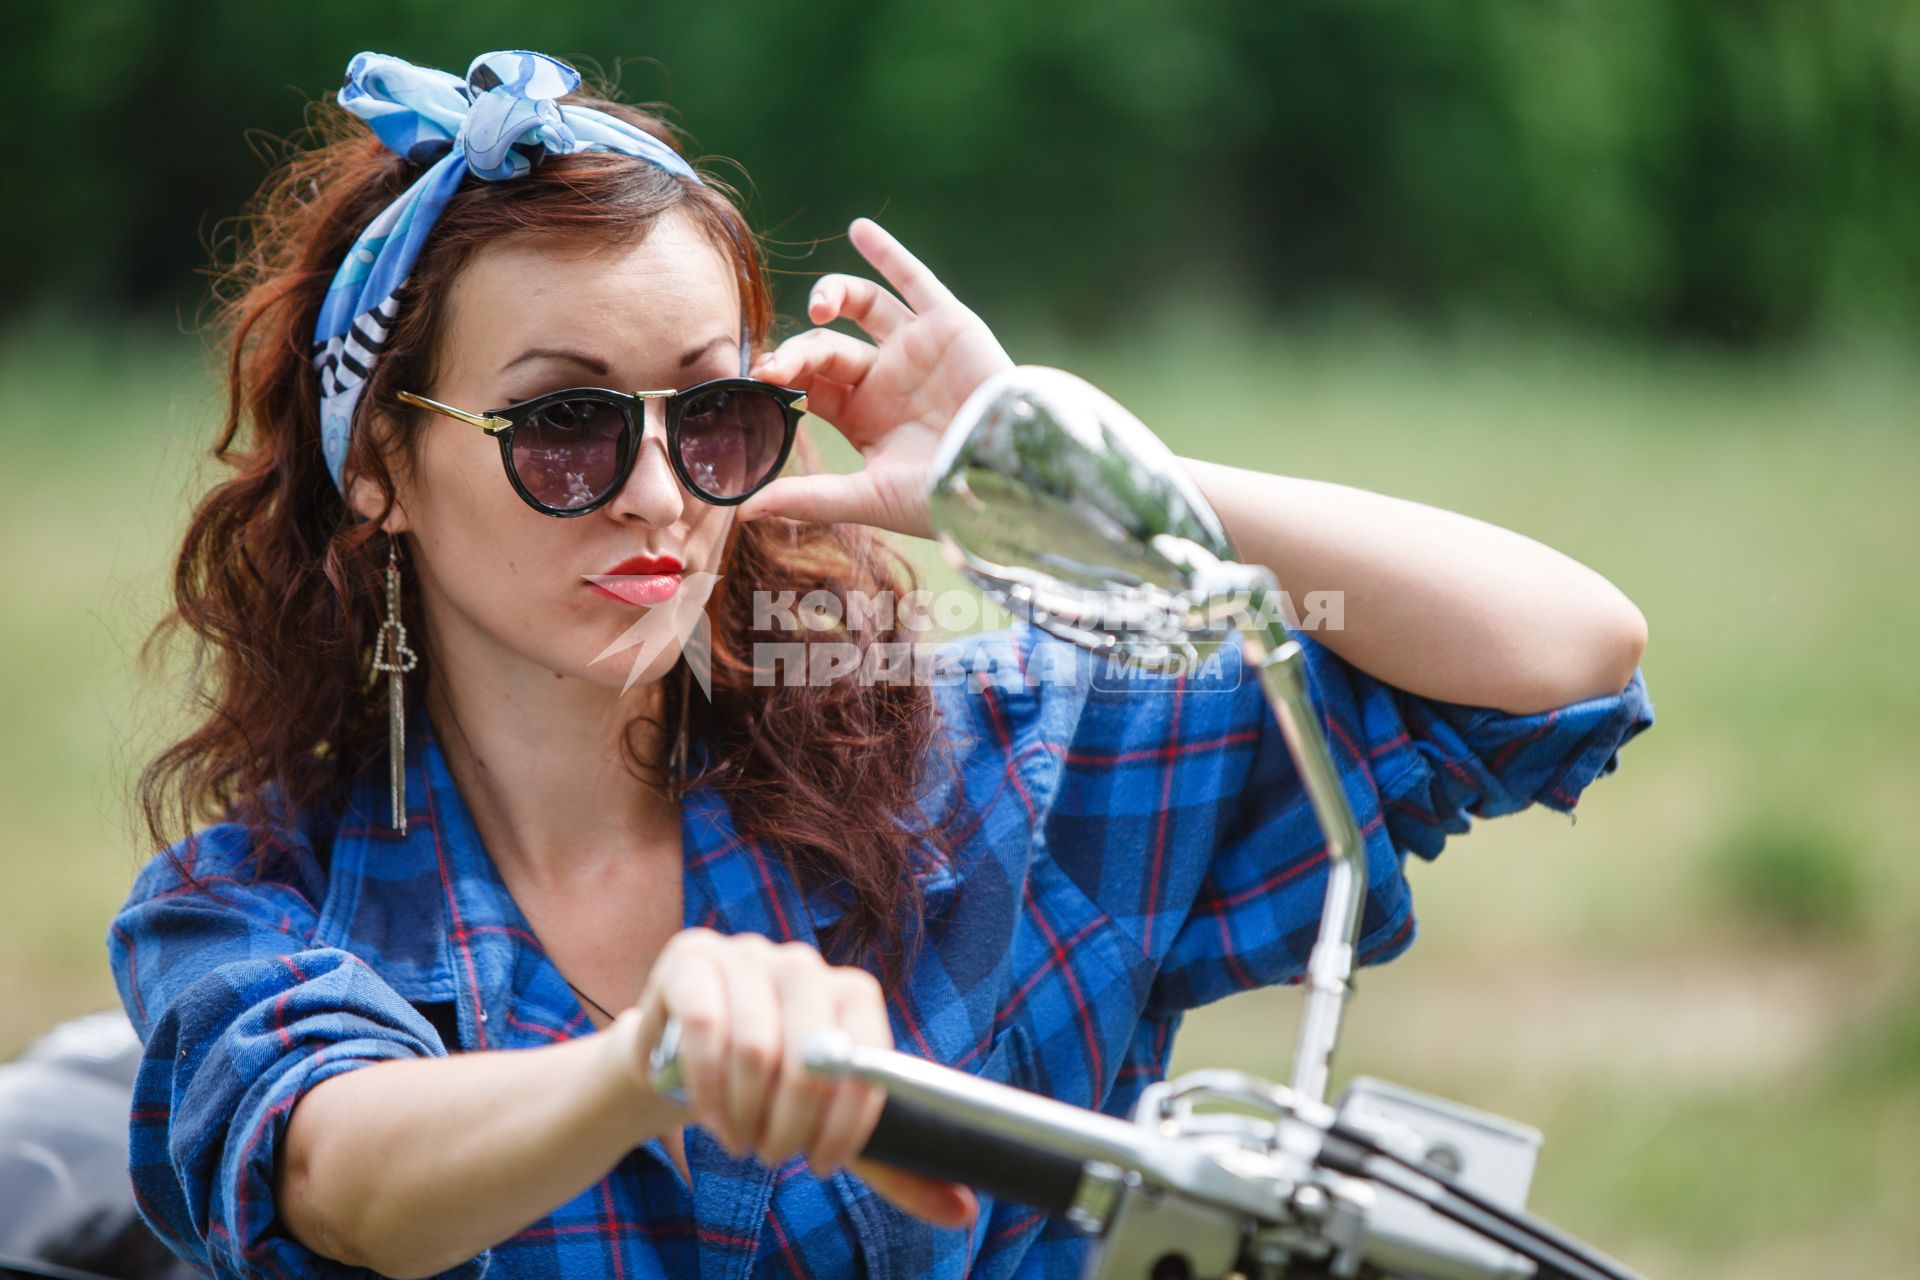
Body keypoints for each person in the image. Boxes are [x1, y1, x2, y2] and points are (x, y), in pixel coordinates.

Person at [105, 48, 1653, 1280]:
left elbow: (1557, 654)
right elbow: (340, 1175)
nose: (656, 490)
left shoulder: (977, 769)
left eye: (711, 416)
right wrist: (645, 1067)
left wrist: (1064, 468)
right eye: (563, 424)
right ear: (379, 462)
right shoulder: (254, 907)